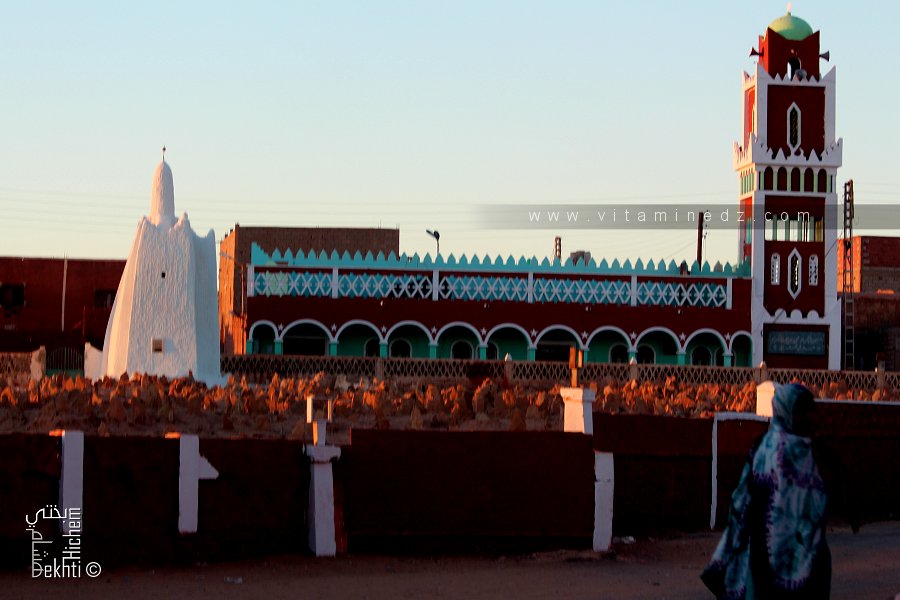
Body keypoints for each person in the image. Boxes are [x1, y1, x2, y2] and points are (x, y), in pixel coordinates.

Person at [702, 383, 831, 599]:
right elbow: (744, 498)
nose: (809, 417)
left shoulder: (811, 450)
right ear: (786, 411)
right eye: (801, 411)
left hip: (805, 554)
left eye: (810, 411)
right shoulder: (772, 449)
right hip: (771, 555)